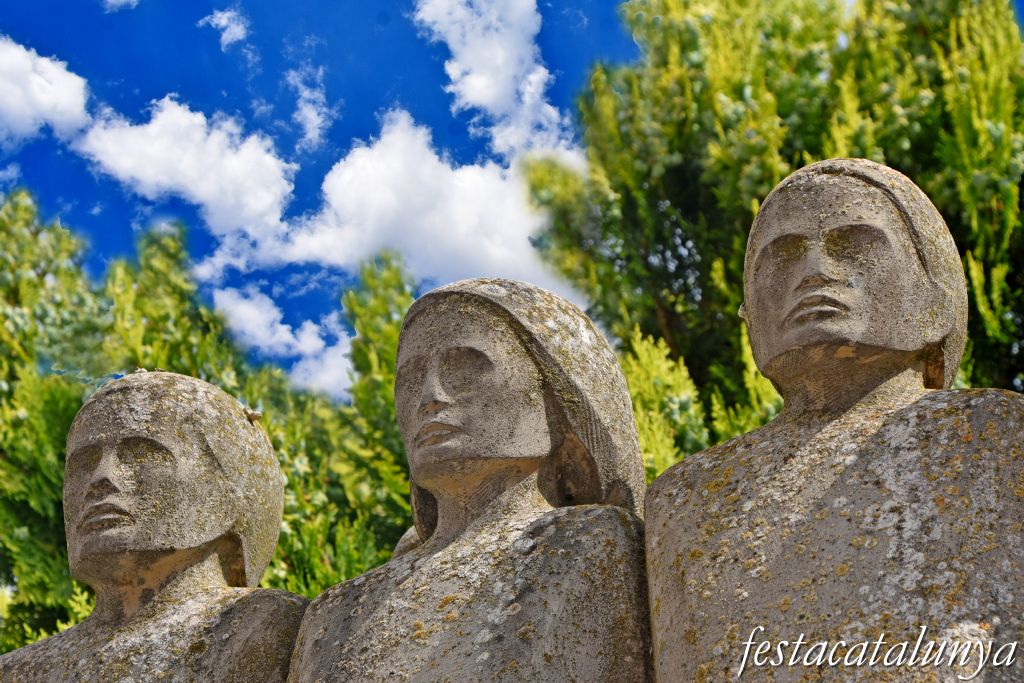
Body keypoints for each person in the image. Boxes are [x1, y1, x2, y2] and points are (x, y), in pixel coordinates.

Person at [646, 158, 1024, 681]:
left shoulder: (993, 438)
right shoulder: (685, 498)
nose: (815, 271)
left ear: (935, 294)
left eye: (856, 244)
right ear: (748, 315)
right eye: (782, 256)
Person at [289, 278, 651, 682]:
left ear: (553, 392)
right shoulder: (333, 613)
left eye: (465, 365)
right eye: (409, 378)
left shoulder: (588, 543)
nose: (431, 395)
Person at [0, 370, 307, 682]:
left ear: (228, 490)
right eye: (83, 463)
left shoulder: (269, 627)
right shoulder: (16, 671)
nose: (100, 478)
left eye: (141, 454)